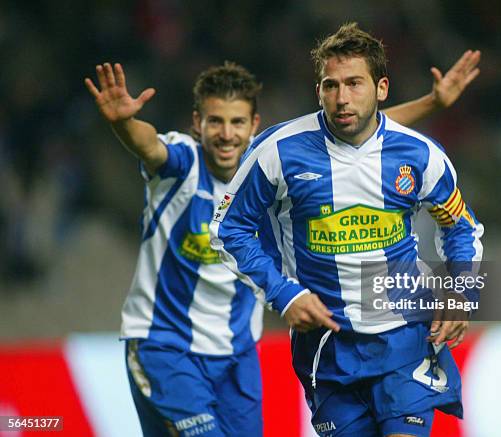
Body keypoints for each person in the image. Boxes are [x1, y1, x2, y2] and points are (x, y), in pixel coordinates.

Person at [84, 47, 480, 436]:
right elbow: (150, 146)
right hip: (186, 345)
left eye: (237, 122)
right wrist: (123, 125)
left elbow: (366, 132)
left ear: (253, 123)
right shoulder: (197, 162)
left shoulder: (401, 152)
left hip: (249, 350)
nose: (226, 134)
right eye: (215, 122)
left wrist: (458, 290)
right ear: (196, 124)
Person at [210, 23, 483, 437]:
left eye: (354, 83)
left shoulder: (419, 154)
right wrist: (285, 294)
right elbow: (229, 229)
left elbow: (460, 225)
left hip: (406, 336)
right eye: (330, 85)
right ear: (318, 90)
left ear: (382, 88)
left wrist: (461, 292)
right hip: (326, 347)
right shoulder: (278, 151)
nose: (341, 98)